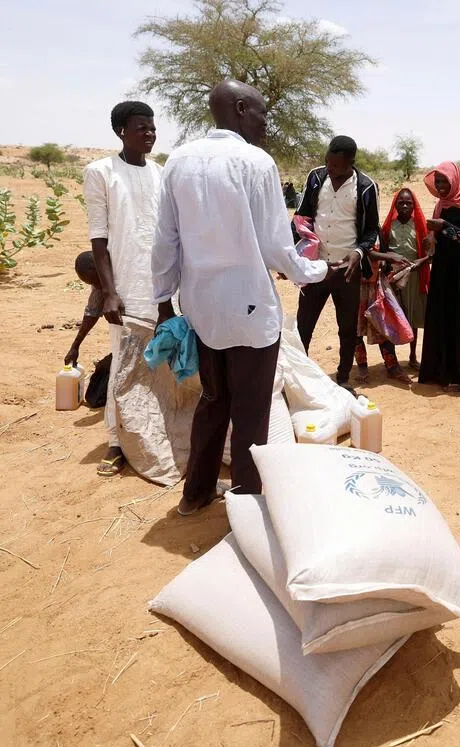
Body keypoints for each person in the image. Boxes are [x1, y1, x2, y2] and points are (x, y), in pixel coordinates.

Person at [152, 80, 330, 516]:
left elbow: (165, 241)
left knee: (213, 401)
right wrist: (318, 270)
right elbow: (276, 247)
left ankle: (195, 494)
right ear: (238, 108)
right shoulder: (255, 163)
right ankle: (248, 505)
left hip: (201, 310)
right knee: (251, 409)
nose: (266, 123)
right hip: (251, 310)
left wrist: (163, 302)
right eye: (262, 113)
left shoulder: (178, 161)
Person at [82, 100, 164, 477]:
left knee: (162, 360)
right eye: (141, 127)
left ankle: (157, 429)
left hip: (162, 283)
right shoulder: (100, 172)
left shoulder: (160, 173)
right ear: (121, 131)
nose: (149, 133)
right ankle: (116, 440)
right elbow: (99, 240)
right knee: (123, 361)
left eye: (152, 127)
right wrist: (109, 292)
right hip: (126, 286)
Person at [292, 136, 395, 387]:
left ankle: (343, 379)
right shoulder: (316, 178)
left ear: (350, 161)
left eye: (336, 165)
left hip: (346, 270)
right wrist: (292, 255)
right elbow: (302, 216)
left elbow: (372, 230)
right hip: (315, 267)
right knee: (303, 327)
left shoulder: (366, 186)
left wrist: (359, 252)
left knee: (347, 329)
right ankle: (297, 381)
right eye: (328, 162)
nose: (330, 168)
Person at [418, 161, 460, 391]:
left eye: (444, 181)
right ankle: (438, 371)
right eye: (438, 182)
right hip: (442, 271)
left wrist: (445, 227)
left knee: (459, 317)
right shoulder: (441, 205)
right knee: (440, 317)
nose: (441, 186)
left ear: (454, 180)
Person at [365, 188, 431, 369]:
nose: (404, 205)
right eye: (400, 202)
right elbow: (383, 251)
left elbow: (430, 253)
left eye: (408, 202)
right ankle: (391, 360)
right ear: (395, 204)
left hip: (415, 276)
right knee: (393, 316)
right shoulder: (388, 226)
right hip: (392, 278)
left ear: (413, 205)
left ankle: (412, 356)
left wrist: (421, 261)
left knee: (413, 317)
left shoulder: (419, 226)